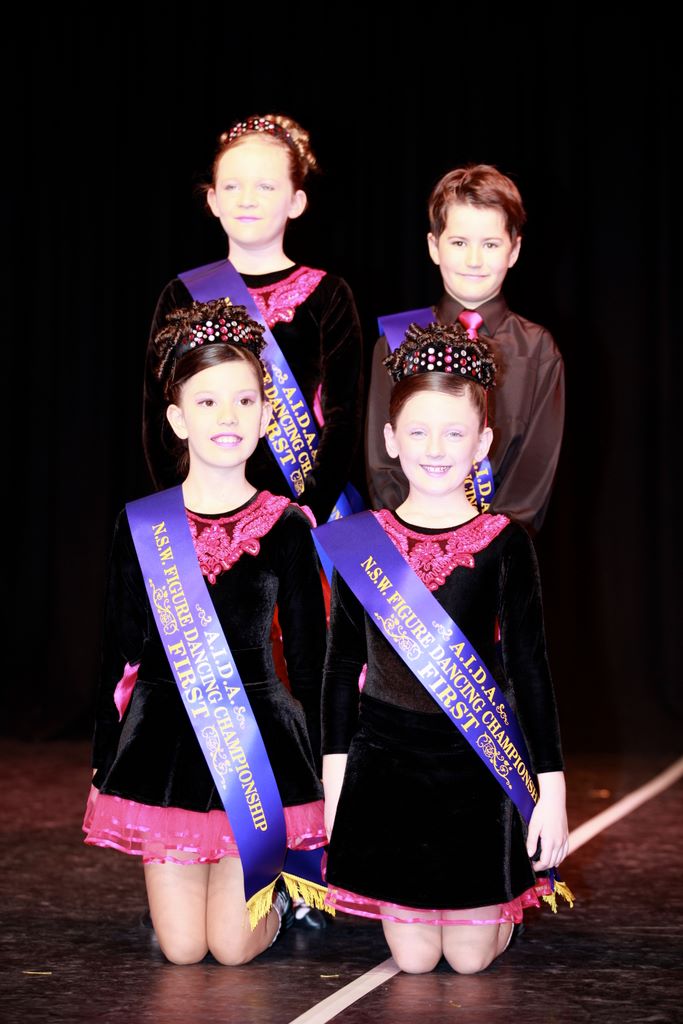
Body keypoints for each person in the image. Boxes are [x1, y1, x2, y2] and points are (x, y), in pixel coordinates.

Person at [319, 321, 570, 975]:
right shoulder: (360, 543)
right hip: (386, 767)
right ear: (390, 439)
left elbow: (529, 668)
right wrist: (335, 776)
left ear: (482, 442)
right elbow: (341, 665)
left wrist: (552, 789)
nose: (436, 450)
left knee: (467, 962)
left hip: (475, 766)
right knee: (412, 961)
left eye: (455, 434)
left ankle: (499, 910)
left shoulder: (505, 542)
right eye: (419, 432)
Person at [84, 299, 329, 965]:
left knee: (231, 947)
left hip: (257, 751)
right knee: (184, 950)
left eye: (245, 401)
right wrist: (105, 757)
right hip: (163, 745)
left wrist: (327, 760)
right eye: (208, 401)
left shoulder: (286, 525)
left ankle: (279, 898)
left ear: (267, 415)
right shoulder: (142, 524)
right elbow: (118, 649)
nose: (227, 417)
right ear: (177, 418)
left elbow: (312, 661)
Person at [143, 113, 364, 528]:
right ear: (213, 199)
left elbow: (344, 419)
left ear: (296, 201)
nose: (247, 199)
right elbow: (159, 416)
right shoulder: (181, 294)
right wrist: (186, 514)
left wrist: (309, 511)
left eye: (266, 186)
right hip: (205, 513)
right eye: (232, 186)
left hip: (306, 516)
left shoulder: (329, 294)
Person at [365, 164, 564, 534]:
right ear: (434, 246)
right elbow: (383, 464)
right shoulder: (396, 341)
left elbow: (533, 473)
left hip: (500, 550)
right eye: (459, 243)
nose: (474, 260)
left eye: (490, 244)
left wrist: (489, 548)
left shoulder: (538, 349)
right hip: (408, 548)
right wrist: (413, 538)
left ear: (514, 250)